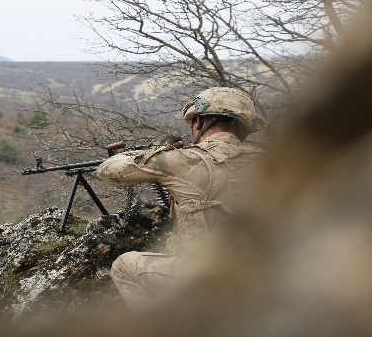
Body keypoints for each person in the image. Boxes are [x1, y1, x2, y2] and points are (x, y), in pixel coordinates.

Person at [95, 86, 265, 307]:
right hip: (271, 275)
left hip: (214, 278)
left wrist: (159, 150)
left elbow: (108, 171)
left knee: (125, 266)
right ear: (244, 129)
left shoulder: (186, 159)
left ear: (199, 122)